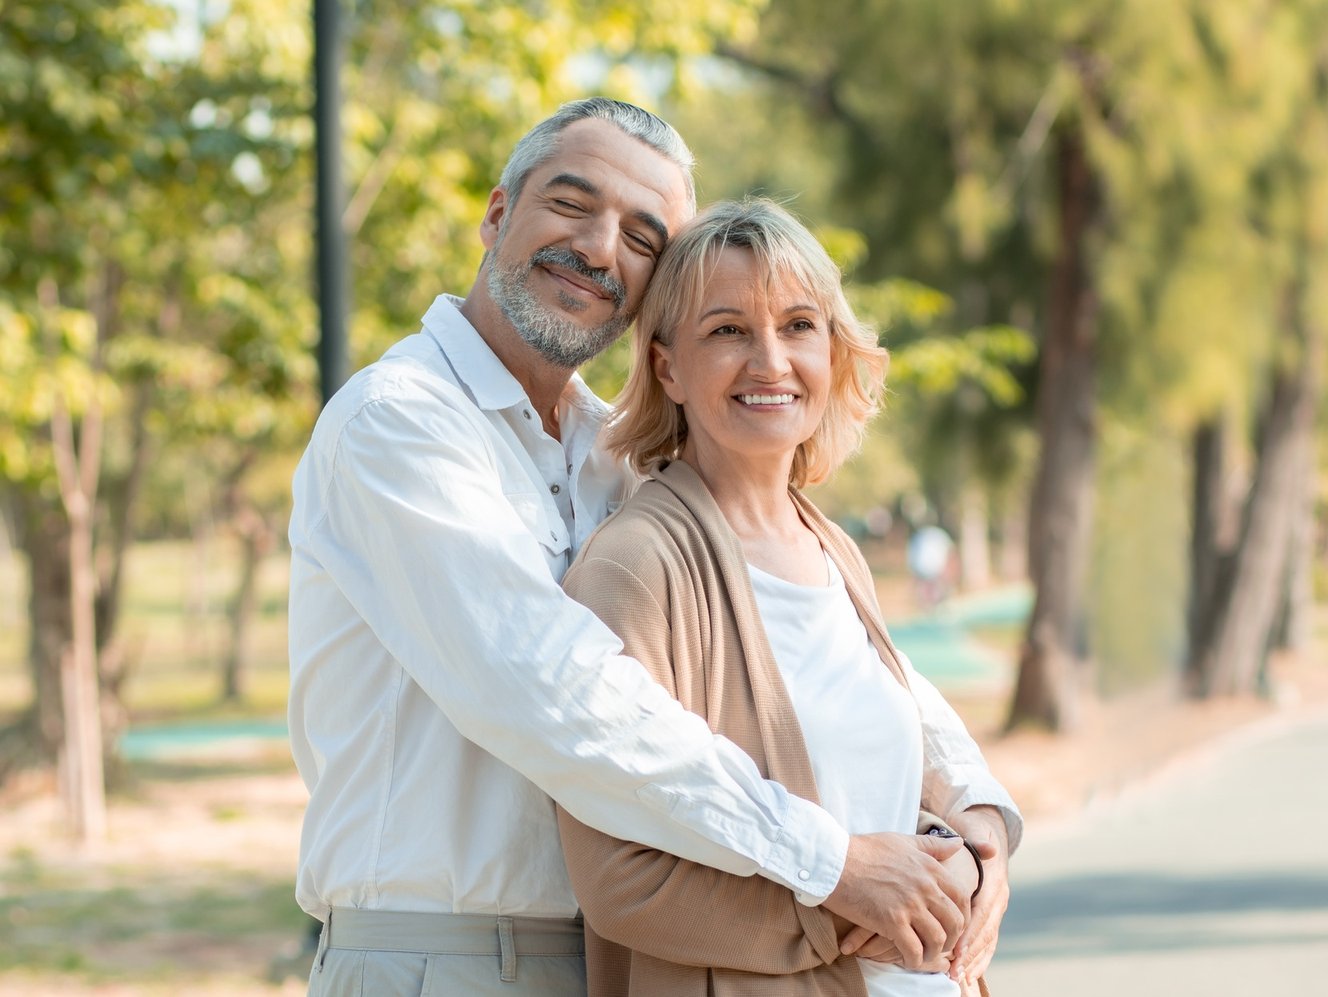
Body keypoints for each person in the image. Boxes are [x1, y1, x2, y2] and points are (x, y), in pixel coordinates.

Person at [287, 97, 1020, 996]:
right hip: (443, 957)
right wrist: (830, 863)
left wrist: (970, 798)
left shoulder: (615, 462)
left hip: (612, 960)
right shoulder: (397, 424)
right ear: (496, 211)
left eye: (642, 236)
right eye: (570, 203)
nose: (599, 248)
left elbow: (834, 656)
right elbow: (563, 694)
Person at [555, 197, 1017, 996]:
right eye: (729, 329)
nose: (770, 360)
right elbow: (620, 881)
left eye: (799, 325)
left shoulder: (832, 548)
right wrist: (846, 910)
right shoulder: (637, 567)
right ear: (668, 365)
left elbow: (886, 786)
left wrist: (975, 855)